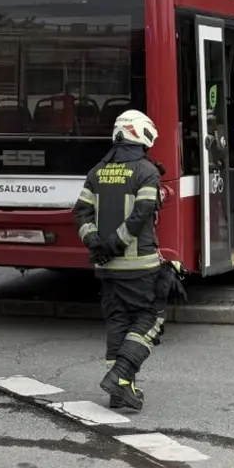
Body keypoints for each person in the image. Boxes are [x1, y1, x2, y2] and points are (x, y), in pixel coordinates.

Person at [75, 109, 167, 414]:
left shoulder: (96, 171)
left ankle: (121, 392)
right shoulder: (146, 171)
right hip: (138, 264)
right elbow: (141, 215)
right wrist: (115, 244)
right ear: (141, 134)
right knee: (149, 319)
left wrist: (95, 244)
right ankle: (120, 377)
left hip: (105, 266)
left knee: (117, 322)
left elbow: (81, 213)